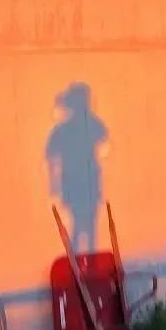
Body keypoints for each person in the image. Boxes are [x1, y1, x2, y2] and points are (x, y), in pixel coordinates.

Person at [45, 83, 108, 253]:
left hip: (76, 180)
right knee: (86, 223)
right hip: (85, 180)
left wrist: (53, 183)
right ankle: (85, 257)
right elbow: (104, 141)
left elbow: (51, 156)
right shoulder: (90, 124)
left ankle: (79, 257)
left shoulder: (64, 129)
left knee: (81, 223)